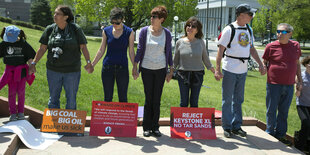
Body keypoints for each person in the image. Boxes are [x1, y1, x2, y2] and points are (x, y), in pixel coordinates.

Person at [214, 3, 265, 138]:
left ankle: (237, 126)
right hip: (230, 69)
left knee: (239, 99)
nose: (251, 16)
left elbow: (251, 48)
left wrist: (260, 64)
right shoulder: (229, 29)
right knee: (227, 99)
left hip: (242, 71)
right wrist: (217, 70)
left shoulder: (249, 29)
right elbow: (220, 51)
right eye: (250, 14)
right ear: (241, 15)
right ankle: (227, 126)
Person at [29, 5, 93, 110]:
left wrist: (89, 62)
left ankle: (69, 125)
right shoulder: (50, 29)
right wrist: (33, 63)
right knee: (53, 98)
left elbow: (83, 47)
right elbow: (42, 48)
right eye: (54, 13)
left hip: (72, 71)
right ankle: (54, 125)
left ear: (65, 17)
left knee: (71, 99)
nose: (55, 15)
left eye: (58, 14)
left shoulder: (75, 29)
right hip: (53, 70)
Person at [133, 5, 173, 137]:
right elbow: (139, 50)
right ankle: (146, 127)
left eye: (154, 16)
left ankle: (155, 127)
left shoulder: (166, 33)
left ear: (161, 19)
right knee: (148, 98)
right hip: (146, 69)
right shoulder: (144, 31)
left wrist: (170, 70)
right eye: (151, 16)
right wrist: (135, 66)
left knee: (157, 99)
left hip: (161, 69)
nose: (151, 18)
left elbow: (169, 53)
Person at [262, 23, 302, 145]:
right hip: (273, 84)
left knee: (284, 111)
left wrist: (299, 80)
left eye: (283, 32)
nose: (279, 34)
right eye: (278, 31)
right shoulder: (270, 46)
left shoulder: (295, 46)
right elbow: (265, 62)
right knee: (271, 110)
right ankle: (269, 133)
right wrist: (263, 67)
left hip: (289, 85)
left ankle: (280, 135)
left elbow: (297, 64)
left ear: (290, 33)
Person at [91, 7, 135, 102]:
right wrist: (92, 64)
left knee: (123, 98)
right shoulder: (106, 31)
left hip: (122, 68)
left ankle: (123, 116)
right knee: (107, 98)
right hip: (107, 68)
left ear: (122, 19)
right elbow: (101, 49)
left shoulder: (129, 32)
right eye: (112, 22)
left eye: (117, 23)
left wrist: (135, 67)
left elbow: (131, 51)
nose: (114, 25)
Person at [173, 17, 215, 108]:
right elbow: (175, 60)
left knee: (194, 102)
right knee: (183, 102)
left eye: (193, 26)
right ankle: (182, 122)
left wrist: (215, 71)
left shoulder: (201, 42)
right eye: (188, 25)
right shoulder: (179, 42)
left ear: (197, 30)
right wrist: (170, 72)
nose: (190, 28)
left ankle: (192, 122)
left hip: (197, 75)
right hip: (182, 75)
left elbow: (206, 59)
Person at [0, 25, 36, 121]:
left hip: (22, 72)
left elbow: (29, 57)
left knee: (21, 92)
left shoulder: (23, 44)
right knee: (11, 93)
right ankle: (12, 114)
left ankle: (20, 113)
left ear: (18, 35)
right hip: (9, 72)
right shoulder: (4, 44)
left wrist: (32, 66)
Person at [295, 56, 310, 153]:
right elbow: (296, 94)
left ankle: (306, 146)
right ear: (305, 64)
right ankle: (299, 147)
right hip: (302, 104)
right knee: (306, 122)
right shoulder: (301, 76)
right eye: (309, 63)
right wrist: (298, 90)